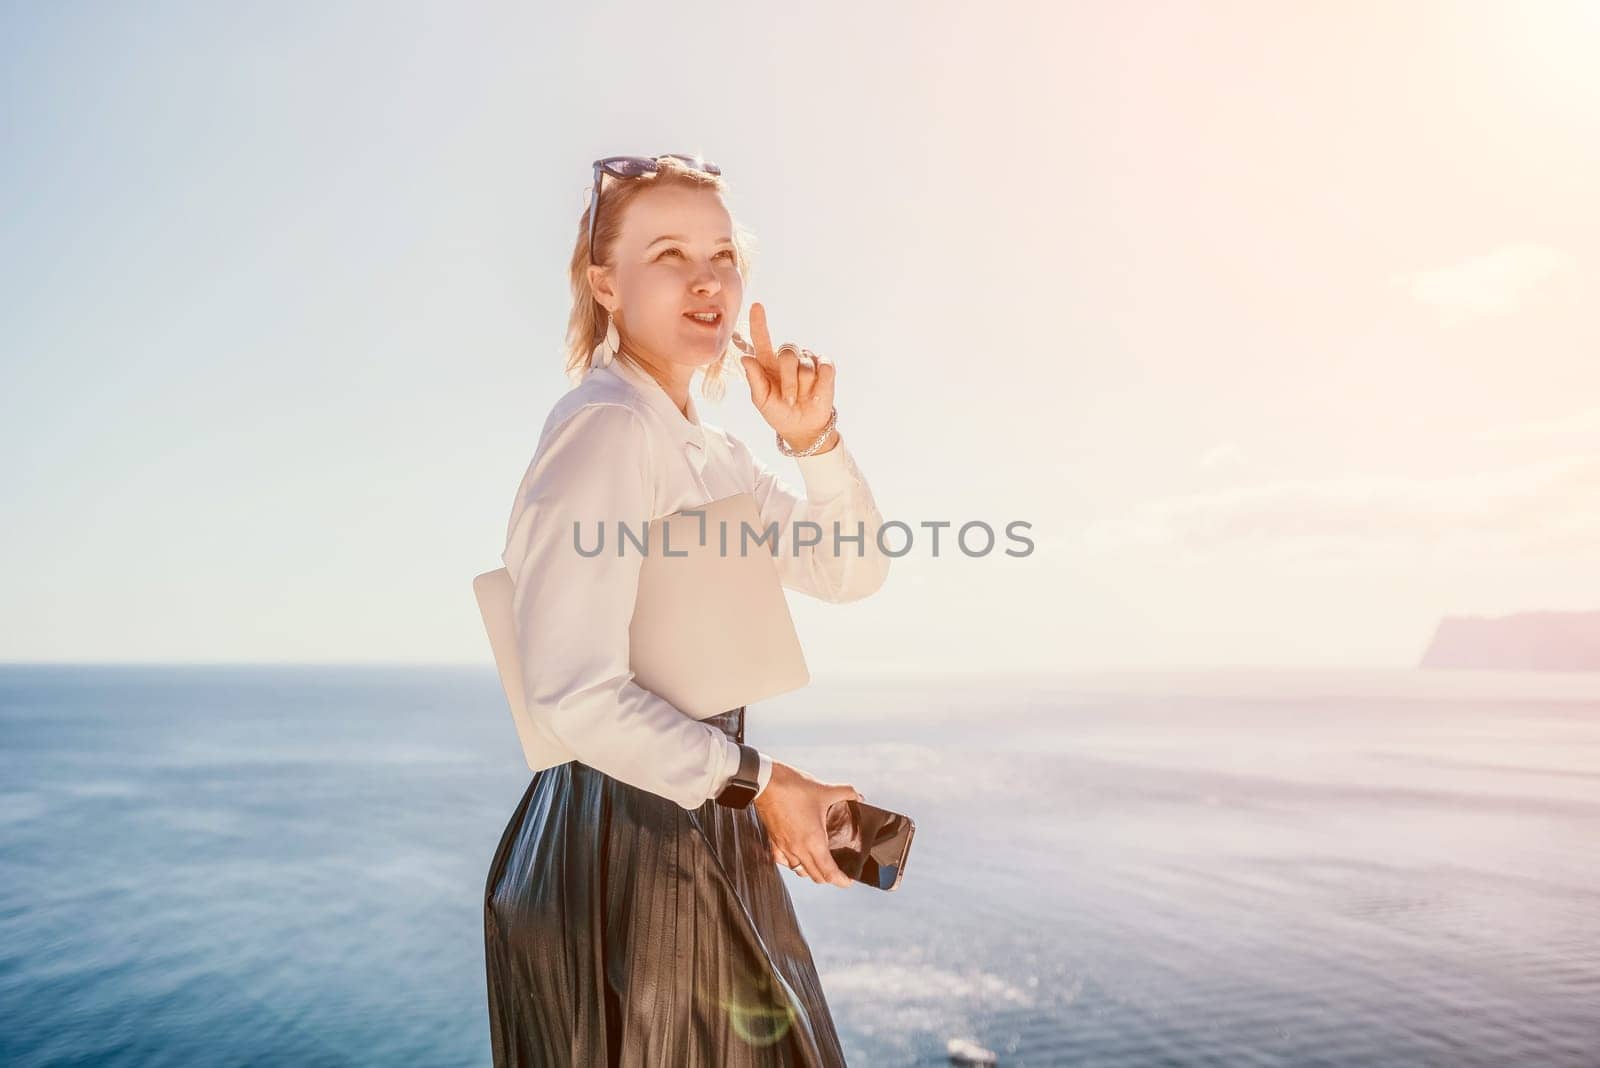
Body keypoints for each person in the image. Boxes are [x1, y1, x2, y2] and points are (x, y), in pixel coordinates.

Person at [483, 154, 892, 1067]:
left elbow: (851, 571)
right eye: (668, 253)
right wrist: (766, 784)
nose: (707, 280)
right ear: (606, 283)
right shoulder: (608, 429)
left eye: (721, 254)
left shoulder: (706, 451)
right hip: (621, 848)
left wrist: (812, 441)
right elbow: (573, 697)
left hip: (695, 815)